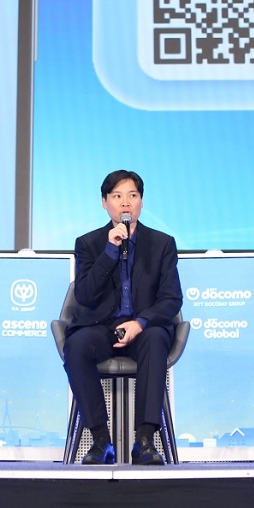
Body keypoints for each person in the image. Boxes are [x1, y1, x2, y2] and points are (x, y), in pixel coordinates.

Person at [62, 170, 182, 466]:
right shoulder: (89, 243)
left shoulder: (162, 244)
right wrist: (109, 251)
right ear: (105, 202)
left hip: (144, 328)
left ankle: (144, 441)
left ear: (141, 203)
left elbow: (171, 299)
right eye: (117, 196)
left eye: (132, 196)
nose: (125, 203)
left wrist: (140, 323)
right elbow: (85, 295)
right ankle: (101, 441)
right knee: (76, 346)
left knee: (156, 338)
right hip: (102, 328)